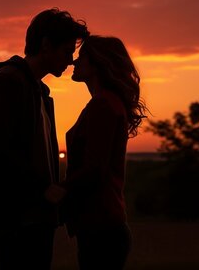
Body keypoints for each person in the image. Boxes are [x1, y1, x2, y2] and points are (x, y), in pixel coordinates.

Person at [0, 8, 89, 270]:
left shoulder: (37, 90)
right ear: (46, 45)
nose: (70, 61)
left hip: (33, 217)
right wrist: (43, 189)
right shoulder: (11, 81)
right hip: (16, 219)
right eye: (67, 51)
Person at [45, 35, 147, 270]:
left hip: (102, 227)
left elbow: (95, 169)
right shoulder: (106, 103)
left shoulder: (104, 105)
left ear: (97, 63)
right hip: (102, 225)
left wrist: (58, 190)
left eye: (82, 58)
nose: (74, 63)